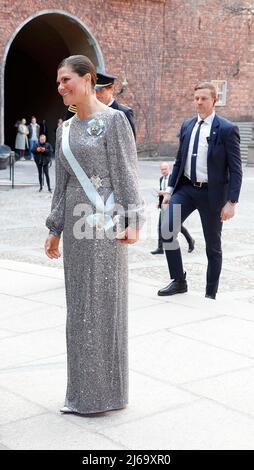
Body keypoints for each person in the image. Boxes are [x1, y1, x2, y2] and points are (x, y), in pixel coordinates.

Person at [44, 55, 144, 415]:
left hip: (104, 229)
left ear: (87, 79)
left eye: (66, 79)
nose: (61, 87)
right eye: (58, 82)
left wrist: (134, 220)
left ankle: (107, 395)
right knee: (79, 309)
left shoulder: (114, 121)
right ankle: (82, 394)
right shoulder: (64, 130)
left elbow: (126, 172)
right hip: (74, 227)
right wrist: (54, 228)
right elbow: (63, 183)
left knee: (103, 307)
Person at [158, 82, 242, 300]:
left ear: (214, 100)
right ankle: (179, 280)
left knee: (213, 247)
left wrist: (231, 202)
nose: (199, 102)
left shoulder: (226, 129)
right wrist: (168, 191)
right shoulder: (187, 125)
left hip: (212, 194)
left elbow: (235, 168)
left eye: (204, 98)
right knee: (167, 229)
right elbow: (179, 161)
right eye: (196, 98)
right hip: (186, 189)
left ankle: (210, 294)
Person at [66, 72, 136, 139]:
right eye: (94, 91)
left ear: (112, 89)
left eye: (101, 91)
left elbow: (129, 145)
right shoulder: (87, 111)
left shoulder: (123, 112)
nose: (97, 95)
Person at [151, 162, 195, 254]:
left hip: (173, 204)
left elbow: (176, 191)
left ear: (169, 169)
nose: (163, 171)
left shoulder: (173, 178)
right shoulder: (161, 179)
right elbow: (162, 194)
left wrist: (164, 193)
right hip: (164, 205)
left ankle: (190, 240)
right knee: (160, 226)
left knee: (178, 226)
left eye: (165, 169)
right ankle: (160, 248)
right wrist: (160, 203)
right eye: (162, 169)